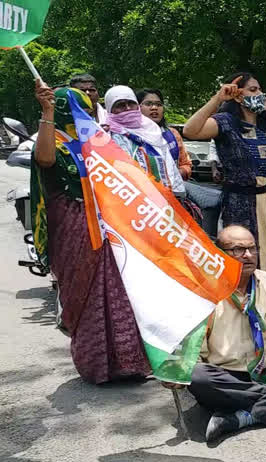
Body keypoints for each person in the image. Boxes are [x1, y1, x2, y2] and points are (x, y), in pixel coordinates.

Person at [163, 225, 266, 441]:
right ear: (219, 253)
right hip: (226, 376)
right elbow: (190, 348)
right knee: (198, 376)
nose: (248, 255)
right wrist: (177, 373)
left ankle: (245, 416)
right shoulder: (204, 291)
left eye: (252, 249)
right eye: (238, 250)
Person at [31, 81, 150, 383]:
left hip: (110, 226)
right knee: (85, 293)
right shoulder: (53, 141)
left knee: (118, 290)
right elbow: (45, 160)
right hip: (73, 230)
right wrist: (46, 111)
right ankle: (97, 366)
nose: (79, 116)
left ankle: (129, 363)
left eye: (84, 110)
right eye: (72, 111)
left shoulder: (95, 142)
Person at [183, 72, 266, 282]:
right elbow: (190, 130)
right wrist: (218, 98)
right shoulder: (226, 122)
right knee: (244, 255)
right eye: (253, 90)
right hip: (241, 203)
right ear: (237, 96)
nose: (259, 94)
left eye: (260, 90)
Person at [104, 86, 187, 198]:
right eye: (120, 105)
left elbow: (168, 164)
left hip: (161, 198)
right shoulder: (105, 134)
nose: (128, 108)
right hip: (124, 198)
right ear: (110, 109)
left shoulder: (152, 130)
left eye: (131, 103)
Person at [136, 88, 193, 180]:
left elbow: (185, 164)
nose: (154, 108)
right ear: (137, 107)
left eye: (158, 104)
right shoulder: (130, 135)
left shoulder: (173, 134)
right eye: (148, 104)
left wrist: (178, 173)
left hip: (172, 190)